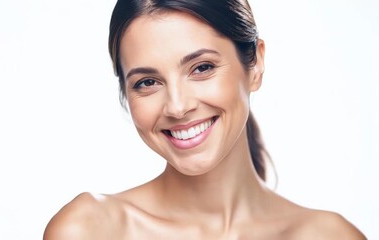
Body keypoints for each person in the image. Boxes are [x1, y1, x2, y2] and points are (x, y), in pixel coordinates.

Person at [43, 0, 366, 239]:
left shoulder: (330, 235)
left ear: (255, 66)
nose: (178, 106)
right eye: (147, 82)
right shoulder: (90, 230)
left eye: (202, 68)